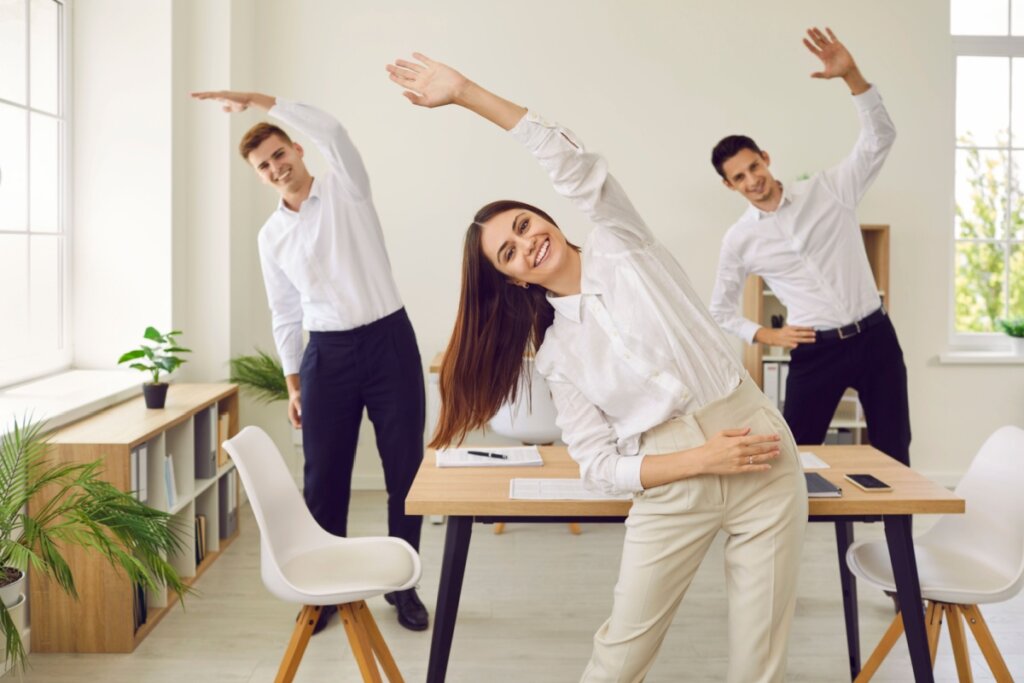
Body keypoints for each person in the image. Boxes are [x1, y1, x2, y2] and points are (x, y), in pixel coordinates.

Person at [386, 53, 807, 682]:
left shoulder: (622, 243)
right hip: (672, 481)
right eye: (510, 252)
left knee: (760, 663)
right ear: (512, 279)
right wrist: (699, 459)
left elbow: (572, 163)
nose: (528, 243)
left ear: (547, 218)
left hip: (759, 451)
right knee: (619, 655)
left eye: (525, 225)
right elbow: (600, 468)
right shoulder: (558, 355)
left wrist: (467, 92)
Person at [190, 90, 428, 633]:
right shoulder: (271, 236)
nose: (276, 167)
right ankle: (325, 589)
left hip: (389, 343)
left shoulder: (347, 189)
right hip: (327, 357)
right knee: (323, 478)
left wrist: (261, 101)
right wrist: (294, 382)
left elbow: (335, 133)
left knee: (405, 472)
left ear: (298, 149)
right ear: (259, 177)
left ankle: (403, 586)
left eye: (280, 154)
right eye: (264, 165)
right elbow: (285, 311)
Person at [708, 28, 909, 465]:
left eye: (754, 166)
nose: (752, 180)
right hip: (817, 351)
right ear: (729, 185)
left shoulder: (829, 189)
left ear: (766, 157)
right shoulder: (740, 239)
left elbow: (880, 138)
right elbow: (719, 310)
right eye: (739, 177)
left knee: (895, 452)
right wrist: (765, 335)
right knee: (793, 458)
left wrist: (852, 76)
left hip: (875, 337)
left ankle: (899, 515)